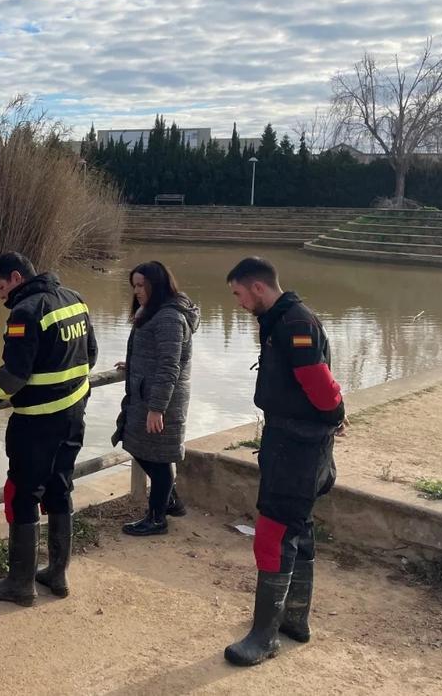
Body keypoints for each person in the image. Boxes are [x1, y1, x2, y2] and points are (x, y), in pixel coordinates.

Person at [0, 252, 97, 606]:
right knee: (60, 487)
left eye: (1, 287)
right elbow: (90, 354)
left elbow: (12, 377)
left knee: (23, 495)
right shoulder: (74, 299)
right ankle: (57, 575)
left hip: (36, 422)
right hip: (74, 414)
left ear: (16, 277)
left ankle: (20, 584)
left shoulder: (25, 313)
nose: (0, 295)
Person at [224, 256, 346, 667]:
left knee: (274, 532)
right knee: (299, 527)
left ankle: (264, 636)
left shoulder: (294, 323)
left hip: (297, 445)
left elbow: (321, 385)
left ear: (258, 288)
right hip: (293, 438)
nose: (238, 303)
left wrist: (334, 416)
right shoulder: (280, 319)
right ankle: (294, 620)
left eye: (239, 294)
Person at [112, 261, 200, 537]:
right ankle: (169, 501)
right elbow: (155, 353)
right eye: (134, 285)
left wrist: (157, 409)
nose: (137, 291)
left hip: (161, 399)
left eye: (142, 285)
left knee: (159, 459)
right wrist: (134, 364)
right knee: (139, 447)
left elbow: (169, 365)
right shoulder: (153, 311)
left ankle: (156, 517)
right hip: (145, 393)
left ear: (157, 284)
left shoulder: (170, 317)